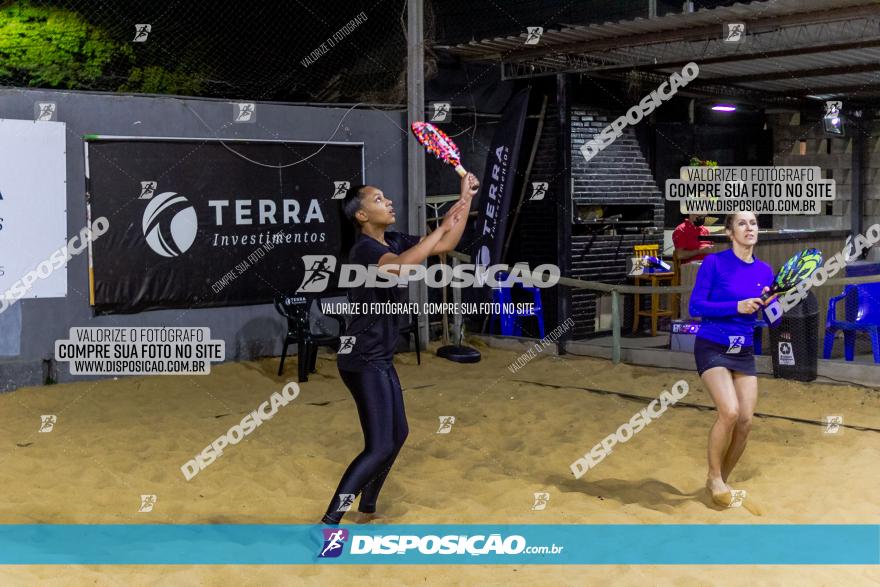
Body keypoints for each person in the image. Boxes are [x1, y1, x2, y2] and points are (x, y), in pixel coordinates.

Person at [321, 172, 480, 525]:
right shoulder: (363, 249)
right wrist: (438, 228)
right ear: (360, 215)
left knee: (399, 434)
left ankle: (368, 506)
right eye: (378, 199)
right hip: (361, 360)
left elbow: (443, 243)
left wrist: (464, 198)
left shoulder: (390, 239)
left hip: (380, 358)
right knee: (378, 446)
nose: (388, 202)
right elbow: (400, 267)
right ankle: (329, 521)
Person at [688, 211, 776, 511]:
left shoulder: (765, 271)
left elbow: (773, 318)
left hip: (744, 350)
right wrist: (736, 306)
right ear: (729, 232)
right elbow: (697, 305)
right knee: (729, 411)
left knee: (746, 421)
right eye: (742, 223)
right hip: (712, 345)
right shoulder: (714, 262)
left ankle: (720, 482)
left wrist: (773, 301)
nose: (749, 227)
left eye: (753, 223)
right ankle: (714, 478)